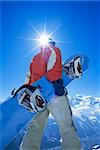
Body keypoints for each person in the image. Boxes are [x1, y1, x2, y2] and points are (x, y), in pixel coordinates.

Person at [20, 38, 81, 150]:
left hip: (37, 98)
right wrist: (57, 83)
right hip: (53, 94)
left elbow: (28, 76)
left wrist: (27, 90)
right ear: (51, 44)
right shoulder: (54, 50)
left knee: (35, 127)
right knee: (66, 126)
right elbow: (54, 67)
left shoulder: (34, 58)